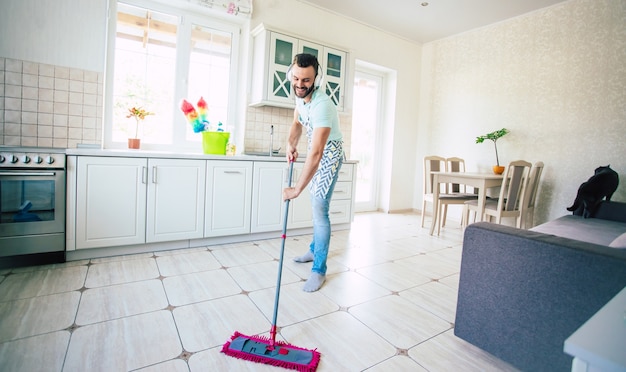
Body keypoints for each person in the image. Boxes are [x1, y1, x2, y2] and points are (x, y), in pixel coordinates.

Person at [282, 53, 344, 292]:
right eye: (296, 78)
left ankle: (319, 269)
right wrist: (291, 144)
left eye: (306, 80)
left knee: (319, 207)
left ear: (316, 78)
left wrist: (296, 189)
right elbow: (297, 123)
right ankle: (313, 248)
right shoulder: (300, 99)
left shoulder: (323, 106)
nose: (299, 84)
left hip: (329, 156)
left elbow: (317, 154)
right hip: (315, 152)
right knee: (315, 204)